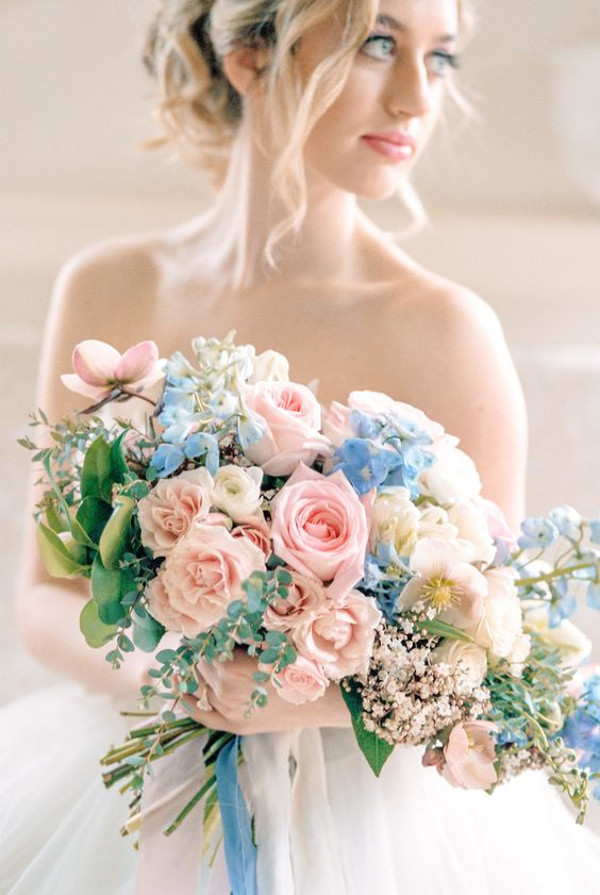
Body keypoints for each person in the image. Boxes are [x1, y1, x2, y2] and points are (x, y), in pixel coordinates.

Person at [4, 1, 600, 892]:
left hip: (381, 829)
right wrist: (185, 674)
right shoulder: (105, 288)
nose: (415, 99)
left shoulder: (448, 333)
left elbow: (482, 655)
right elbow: (46, 595)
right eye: (378, 43)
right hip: (128, 779)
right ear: (250, 52)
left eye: (440, 59)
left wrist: (291, 693)